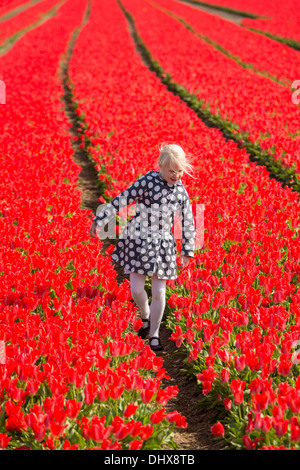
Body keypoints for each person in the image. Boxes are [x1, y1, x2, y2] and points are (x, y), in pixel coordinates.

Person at [90, 144, 195, 351]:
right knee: (137, 289)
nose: (176, 175)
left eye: (180, 170)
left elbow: (188, 221)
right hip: (138, 240)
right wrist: (101, 219)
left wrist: (187, 250)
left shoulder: (181, 192)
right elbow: (124, 198)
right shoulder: (148, 180)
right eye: (172, 171)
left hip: (163, 245)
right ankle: (145, 314)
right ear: (161, 167)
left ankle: (154, 333)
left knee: (159, 292)